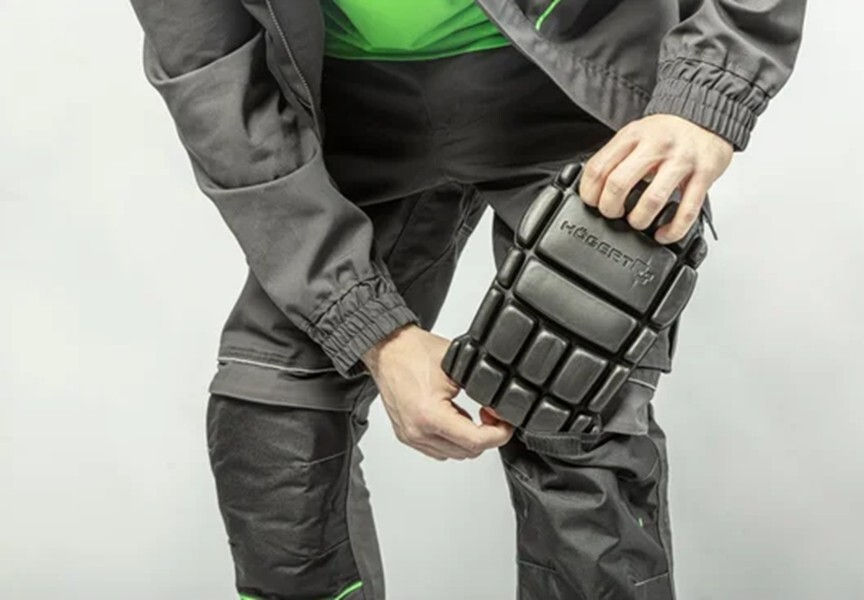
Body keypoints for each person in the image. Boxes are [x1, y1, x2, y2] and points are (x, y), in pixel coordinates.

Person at [129, 1, 806, 598]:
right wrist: (370, 330)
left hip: (571, 83)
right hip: (351, 113)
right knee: (271, 426)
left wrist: (706, 93)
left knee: (570, 415)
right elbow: (210, 75)